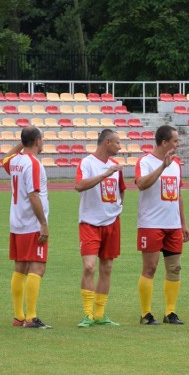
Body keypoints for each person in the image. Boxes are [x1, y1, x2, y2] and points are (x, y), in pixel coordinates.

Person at [135, 125, 189, 325]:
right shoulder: (145, 162)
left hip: (172, 225)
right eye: (175, 140)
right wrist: (162, 167)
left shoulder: (176, 165)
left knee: (174, 268)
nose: (178, 144)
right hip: (151, 224)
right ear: (164, 142)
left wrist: (183, 223)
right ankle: (146, 314)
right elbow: (141, 184)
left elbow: (179, 194)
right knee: (150, 268)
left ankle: (170, 312)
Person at [75, 129, 125, 328]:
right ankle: (87, 313)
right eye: (117, 143)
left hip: (112, 222)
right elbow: (79, 185)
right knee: (89, 267)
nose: (120, 147)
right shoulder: (87, 163)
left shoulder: (115, 166)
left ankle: (100, 314)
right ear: (106, 143)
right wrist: (105, 174)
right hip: (90, 222)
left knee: (107, 268)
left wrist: (117, 209)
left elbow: (121, 190)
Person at [3, 127, 52, 329]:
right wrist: (43, 223)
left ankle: (18, 316)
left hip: (17, 222)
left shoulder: (15, 161)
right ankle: (31, 317)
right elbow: (34, 195)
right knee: (37, 267)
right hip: (31, 223)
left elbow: (4, 159)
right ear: (38, 141)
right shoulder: (33, 164)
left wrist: (21, 144)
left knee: (20, 267)